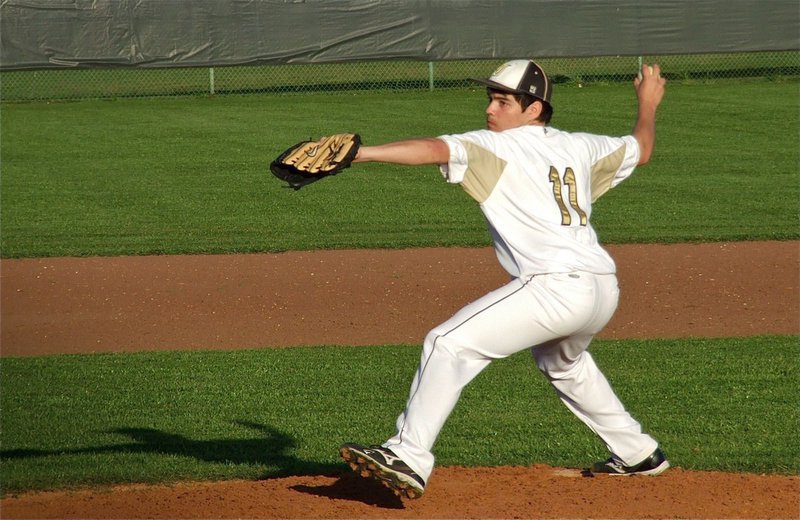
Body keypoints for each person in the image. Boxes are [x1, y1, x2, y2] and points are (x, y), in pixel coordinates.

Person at [338, 59, 668, 499]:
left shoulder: (497, 147)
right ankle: (637, 452)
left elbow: (433, 149)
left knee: (447, 343)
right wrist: (647, 103)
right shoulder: (582, 147)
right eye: (490, 99)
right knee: (562, 363)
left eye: (503, 101)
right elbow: (641, 149)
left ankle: (408, 456)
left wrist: (362, 152)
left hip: (555, 287)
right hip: (602, 287)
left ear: (534, 110)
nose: (491, 110)